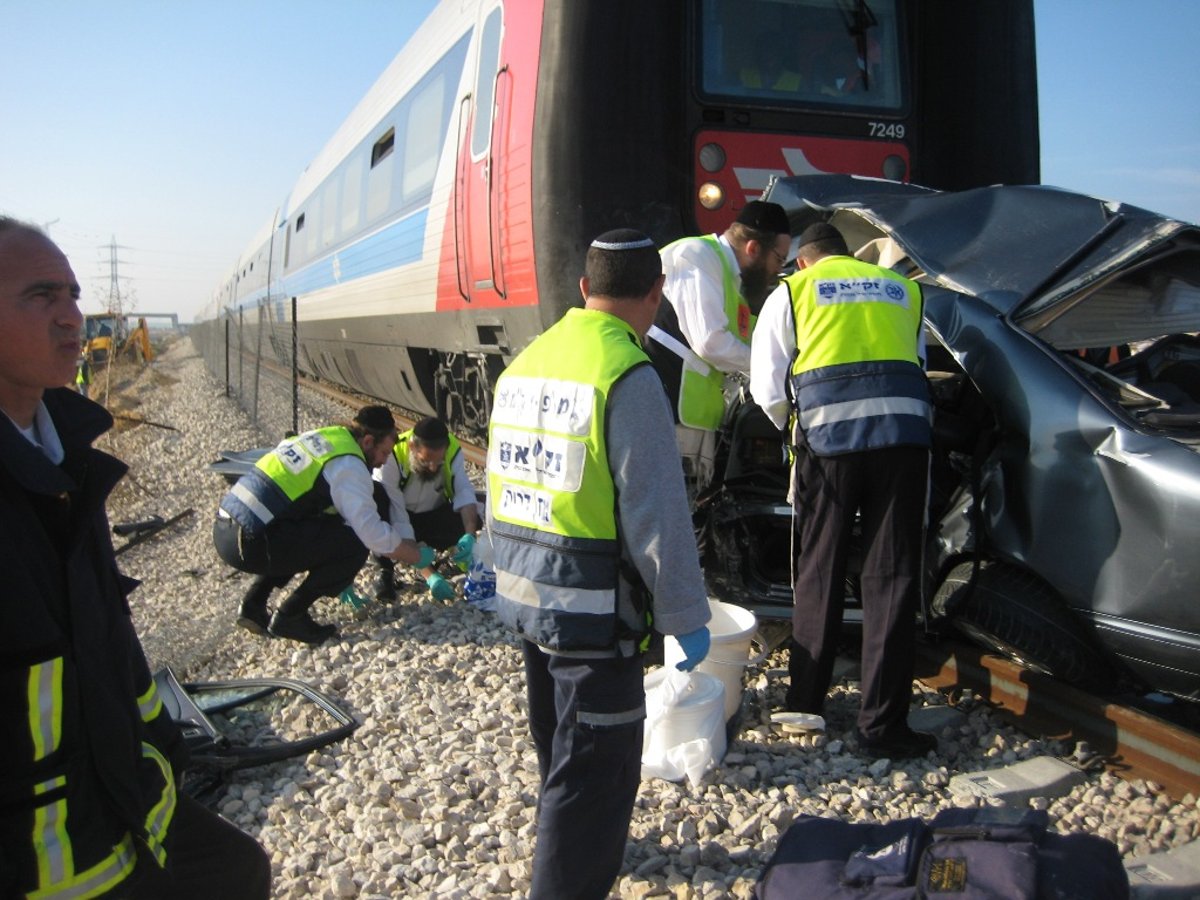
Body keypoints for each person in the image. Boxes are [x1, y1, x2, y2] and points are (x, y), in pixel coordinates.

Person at [0, 216, 272, 898]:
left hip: (122, 810)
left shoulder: (66, 456)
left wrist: (163, 753)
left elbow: (110, 649)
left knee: (238, 870)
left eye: (72, 293)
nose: (74, 317)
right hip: (44, 861)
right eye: (41, 296)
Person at [487, 229, 713, 899]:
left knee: (559, 740)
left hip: (529, 593)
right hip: (593, 611)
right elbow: (657, 516)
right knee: (596, 763)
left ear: (584, 290)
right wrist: (684, 615)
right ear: (656, 292)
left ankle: (585, 842)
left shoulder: (527, 360)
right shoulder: (627, 373)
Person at [750, 221, 936, 759]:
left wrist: (797, 427)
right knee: (892, 576)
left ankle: (806, 703)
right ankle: (883, 726)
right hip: (904, 439)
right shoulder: (902, 289)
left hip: (830, 446)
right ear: (848, 255)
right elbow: (918, 363)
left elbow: (767, 386)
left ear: (804, 261)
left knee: (820, 569)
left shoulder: (793, 291)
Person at [214, 404, 434, 644]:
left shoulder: (325, 438)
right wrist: (412, 555)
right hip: (251, 543)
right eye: (383, 453)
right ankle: (291, 616)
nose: (382, 463)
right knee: (354, 543)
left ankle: (253, 605)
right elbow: (371, 534)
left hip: (228, 527)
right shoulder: (349, 465)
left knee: (308, 526)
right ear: (368, 442)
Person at [646, 200, 791, 496]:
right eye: (779, 259)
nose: (778, 270)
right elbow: (710, 343)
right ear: (753, 248)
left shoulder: (733, 280)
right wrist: (771, 367)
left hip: (690, 414)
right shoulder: (696, 256)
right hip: (666, 407)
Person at [370, 416, 482, 602]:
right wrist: (429, 574)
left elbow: (463, 491)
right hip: (401, 517)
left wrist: (469, 535)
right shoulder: (392, 456)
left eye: (438, 462)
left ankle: (459, 556)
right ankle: (384, 569)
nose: (432, 467)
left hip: (431, 515)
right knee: (379, 507)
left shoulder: (451, 449)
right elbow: (398, 515)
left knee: (471, 516)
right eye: (426, 460)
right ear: (412, 447)